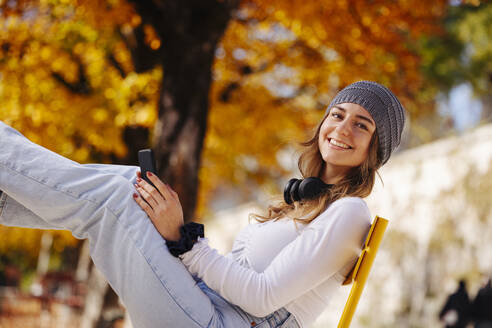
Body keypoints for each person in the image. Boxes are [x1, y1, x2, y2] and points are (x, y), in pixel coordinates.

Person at [0, 80, 405, 328]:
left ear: (375, 148)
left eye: (362, 124)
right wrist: (178, 240)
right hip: (205, 308)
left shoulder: (350, 212)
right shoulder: (307, 202)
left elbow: (262, 297)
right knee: (133, 191)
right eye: (337, 114)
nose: (342, 128)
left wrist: (183, 239)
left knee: (127, 191)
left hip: (222, 322)